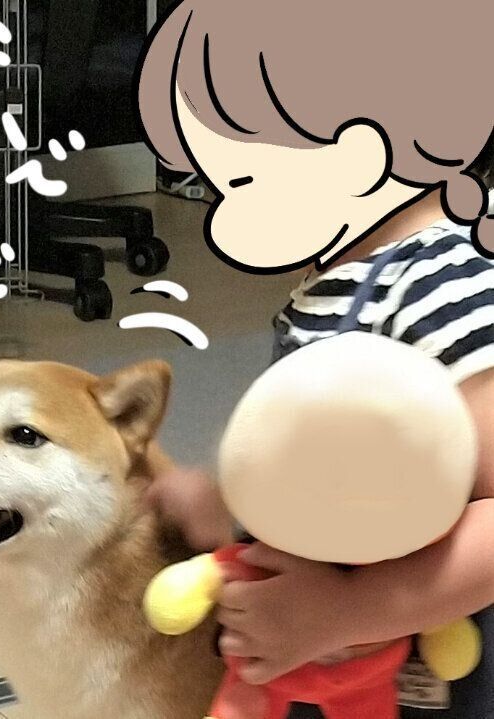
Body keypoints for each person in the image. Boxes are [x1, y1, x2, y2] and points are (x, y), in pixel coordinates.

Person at [136, 2, 494, 717]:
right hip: (317, 641)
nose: (220, 211)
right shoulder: (337, 271)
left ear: (358, 159)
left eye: (238, 183)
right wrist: (228, 502)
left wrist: (349, 612)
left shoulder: (440, 286)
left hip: (410, 654)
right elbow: (324, 458)